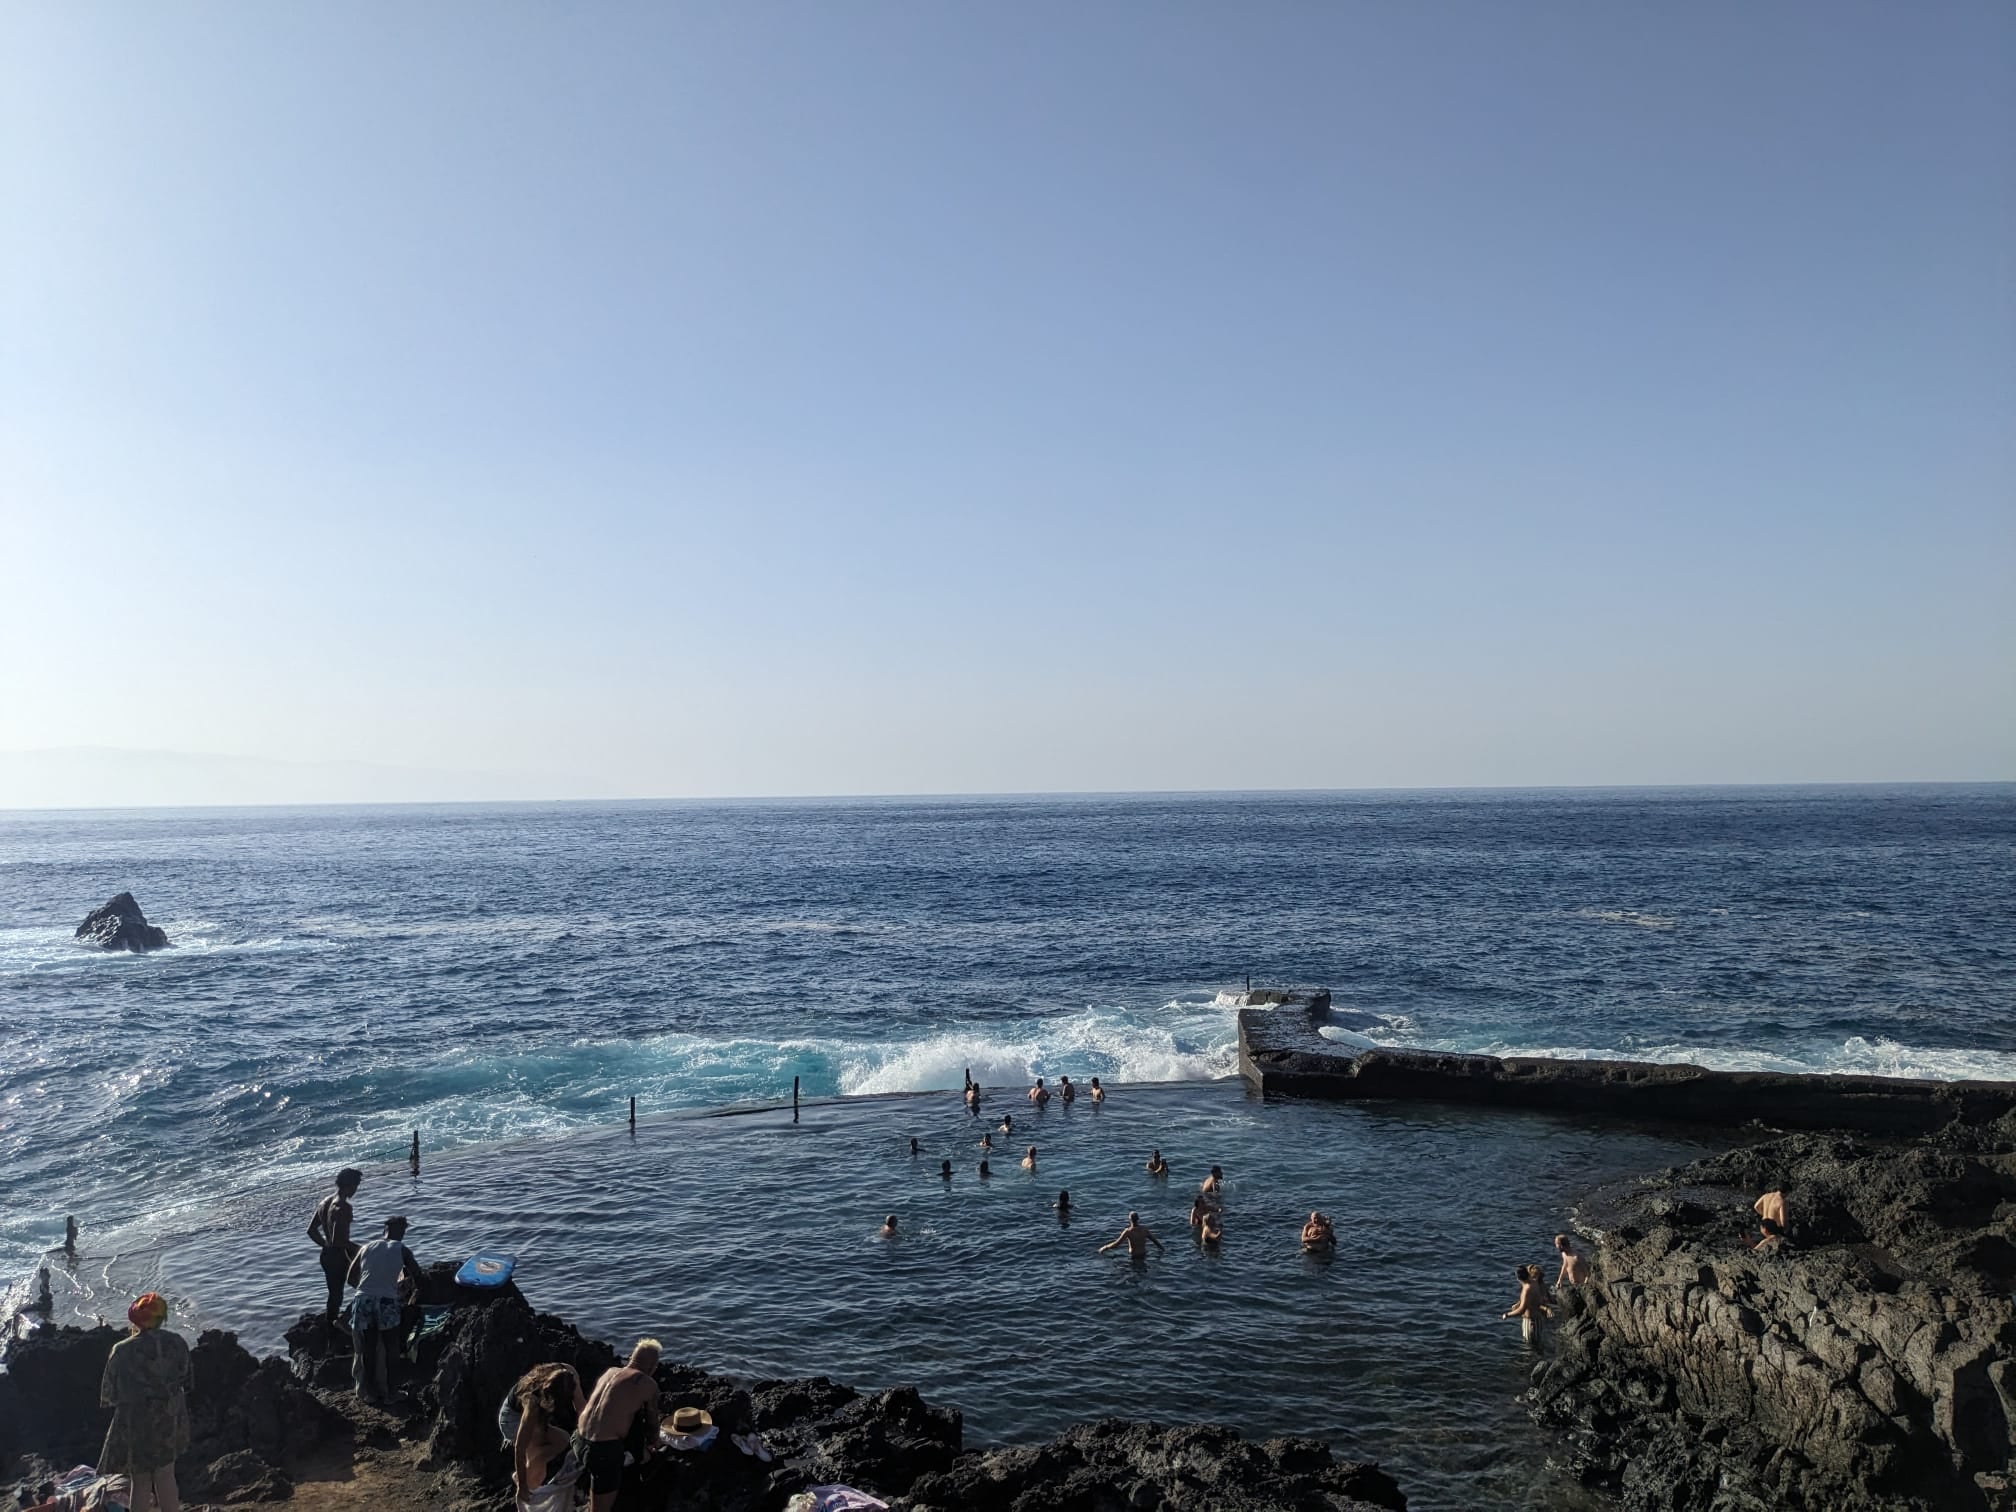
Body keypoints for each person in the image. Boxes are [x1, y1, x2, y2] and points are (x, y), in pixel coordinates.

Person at [98, 1293, 190, 1512]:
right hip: (169, 1417)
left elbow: (109, 1394)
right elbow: (186, 1378)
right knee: (166, 1475)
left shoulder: (121, 1350)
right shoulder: (177, 1342)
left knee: (140, 1481)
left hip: (135, 1422)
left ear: (134, 1320)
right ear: (162, 1317)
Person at [575, 1340, 662, 1512]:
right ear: (653, 1366)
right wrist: (655, 1443)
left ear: (631, 1358)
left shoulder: (610, 1372)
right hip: (602, 1452)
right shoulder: (647, 1384)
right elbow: (652, 1423)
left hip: (578, 1440)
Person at [346, 1216, 421, 1402]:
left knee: (368, 1348)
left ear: (384, 1230)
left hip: (363, 1299)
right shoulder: (402, 1249)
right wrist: (411, 1295)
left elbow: (350, 1277)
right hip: (387, 1301)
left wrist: (369, 1289)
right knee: (391, 1348)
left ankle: (370, 1393)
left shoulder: (365, 1247)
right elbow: (418, 1275)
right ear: (402, 1232)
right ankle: (391, 1393)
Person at [510, 1362, 585, 1505]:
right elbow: (520, 1447)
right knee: (534, 1464)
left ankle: (532, 1466)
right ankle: (524, 1483)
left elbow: (582, 1409)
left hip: (538, 1415)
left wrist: (591, 1437)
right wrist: (522, 1487)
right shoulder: (532, 1402)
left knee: (563, 1440)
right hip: (513, 1418)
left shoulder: (569, 1374)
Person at [306, 1168, 362, 1327]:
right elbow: (339, 1240)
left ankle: (331, 1327)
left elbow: (311, 1231)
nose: (356, 1190)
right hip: (340, 1256)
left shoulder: (324, 1203)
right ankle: (350, 1323)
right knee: (364, 1287)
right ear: (350, 1185)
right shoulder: (343, 1207)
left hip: (327, 1256)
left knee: (335, 1295)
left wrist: (325, 1245)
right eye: (356, 1186)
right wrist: (361, 1248)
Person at [1501, 1264, 1554, 1350]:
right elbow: (1532, 1300)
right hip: (1538, 1319)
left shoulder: (1526, 1289)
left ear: (1518, 1278)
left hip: (1530, 1322)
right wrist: (1518, 1303)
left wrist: (1507, 1315)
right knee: (1538, 1345)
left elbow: (1521, 1310)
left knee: (1529, 1348)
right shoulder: (1534, 1282)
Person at [1099, 1211, 1165, 1260]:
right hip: (1143, 1254)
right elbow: (1156, 1242)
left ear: (1129, 1219)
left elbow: (1116, 1244)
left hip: (1134, 1256)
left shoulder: (1128, 1232)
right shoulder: (1145, 1230)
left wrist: (1105, 1247)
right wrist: (1163, 1250)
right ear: (1138, 1219)